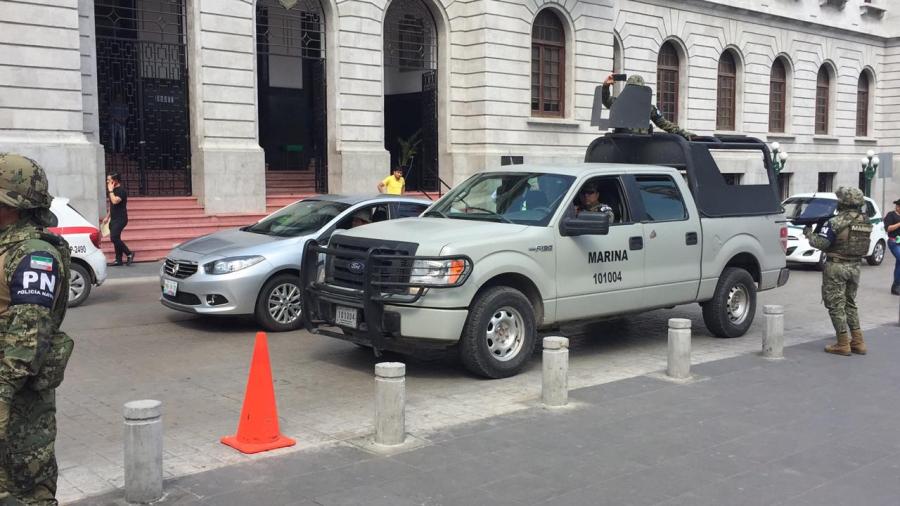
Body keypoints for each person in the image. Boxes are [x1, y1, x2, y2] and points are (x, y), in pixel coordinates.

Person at [0, 153, 74, 505]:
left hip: (18, 409)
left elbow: (25, 344)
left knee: (27, 492)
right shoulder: (7, 245)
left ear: (10, 202)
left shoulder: (33, 256)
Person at [803, 186, 873, 356]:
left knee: (835, 304)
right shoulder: (865, 220)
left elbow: (821, 244)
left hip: (836, 266)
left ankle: (843, 343)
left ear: (842, 202)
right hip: (855, 266)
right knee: (850, 303)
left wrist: (809, 234)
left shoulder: (836, 222)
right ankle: (858, 341)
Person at [602, 74, 695, 139]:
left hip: (642, 145)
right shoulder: (619, 104)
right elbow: (605, 99)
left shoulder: (649, 108)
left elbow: (665, 124)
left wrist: (684, 134)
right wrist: (606, 86)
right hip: (622, 144)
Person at [103, 174, 133, 266]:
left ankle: (129, 253)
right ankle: (118, 260)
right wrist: (107, 216)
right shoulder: (113, 191)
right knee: (117, 238)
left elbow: (115, 201)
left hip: (121, 219)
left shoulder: (121, 191)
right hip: (114, 218)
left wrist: (111, 191)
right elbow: (112, 205)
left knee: (114, 238)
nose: (107, 182)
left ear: (115, 181)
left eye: (109, 180)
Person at [885, 198, 900, 295]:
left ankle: (896, 286)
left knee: (899, 263)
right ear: (898, 207)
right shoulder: (891, 215)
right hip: (893, 242)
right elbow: (888, 229)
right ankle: (896, 285)